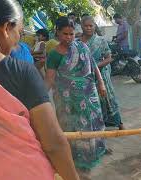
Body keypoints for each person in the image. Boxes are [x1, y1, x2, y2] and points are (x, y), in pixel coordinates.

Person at [0, 0, 79, 179]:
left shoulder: (80, 48)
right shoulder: (22, 72)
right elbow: (53, 144)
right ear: (5, 29)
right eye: (19, 32)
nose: (18, 40)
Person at [45, 16, 107, 179]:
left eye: (72, 34)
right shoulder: (53, 55)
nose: (69, 38)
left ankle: (92, 156)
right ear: (57, 33)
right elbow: (50, 79)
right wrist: (41, 99)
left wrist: (101, 83)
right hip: (68, 103)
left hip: (88, 97)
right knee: (72, 130)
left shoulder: (82, 46)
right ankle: (76, 164)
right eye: (65, 34)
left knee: (91, 127)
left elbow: (93, 66)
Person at [80, 15, 125, 130]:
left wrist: (94, 66)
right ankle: (98, 126)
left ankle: (119, 123)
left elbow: (109, 58)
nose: (88, 28)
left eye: (91, 26)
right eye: (86, 26)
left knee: (108, 99)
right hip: (86, 77)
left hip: (102, 76)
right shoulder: (78, 42)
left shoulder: (101, 41)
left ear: (94, 26)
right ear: (82, 27)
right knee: (92, 102)